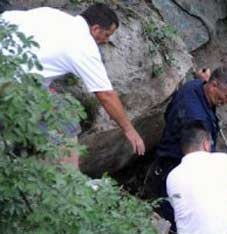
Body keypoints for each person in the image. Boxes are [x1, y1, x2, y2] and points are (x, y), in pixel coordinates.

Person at [1, 4, 145, 167]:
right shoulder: (84, 45)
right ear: (96, 28)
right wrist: (129, 130)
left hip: (6, 65)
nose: (106, 40)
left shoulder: (50, 14)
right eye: (106, 35)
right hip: (13, 87)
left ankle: (17, 148)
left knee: (47, 96)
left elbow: (6, 17)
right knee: (65, 120)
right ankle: (68, 181)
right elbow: (106, 95)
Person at [147, 66, 227, 234]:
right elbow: (200, 162)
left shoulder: (195, 87)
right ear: (213, 86)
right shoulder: (196, 119)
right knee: (175, 222)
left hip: (167, 160)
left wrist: (203, 79)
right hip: (173, 170)